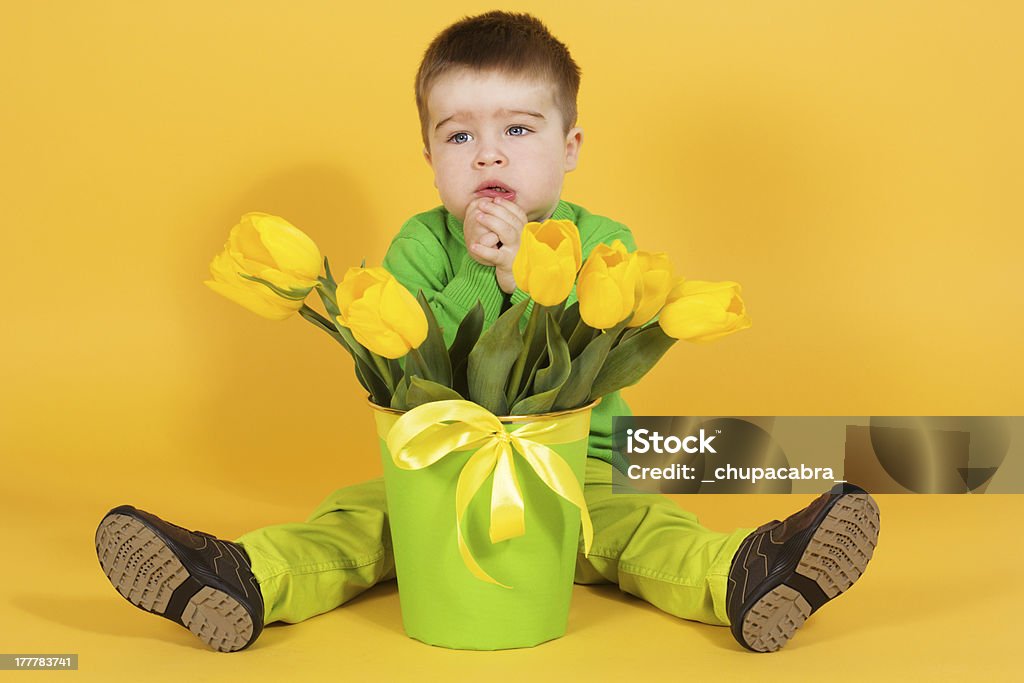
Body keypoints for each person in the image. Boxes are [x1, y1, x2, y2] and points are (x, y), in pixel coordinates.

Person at [95, 11, 880, 654]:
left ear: (569, 148)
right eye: (460, 136)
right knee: (360, 519)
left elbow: (599, 352)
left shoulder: (602, 236)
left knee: (649, 528)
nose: (489, 153)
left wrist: (522, 278)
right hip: (442, 481)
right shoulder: (419, 243)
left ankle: (749, 572)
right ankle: (241, 576)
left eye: (520, 129)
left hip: (586, 471)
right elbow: (408, 359)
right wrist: (476, 270)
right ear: (431, 155)